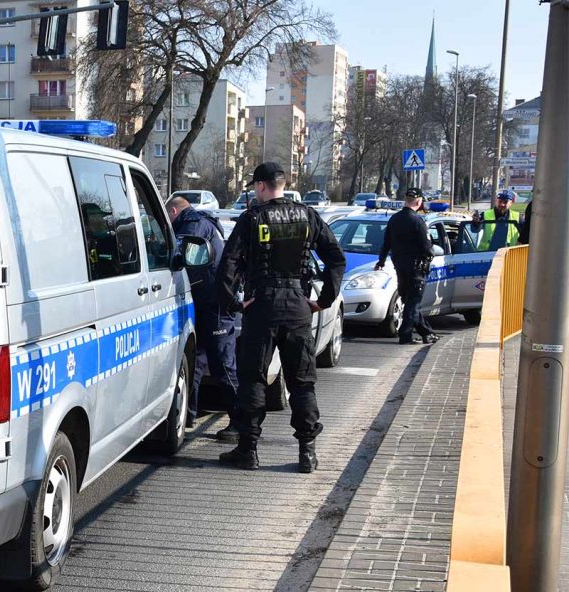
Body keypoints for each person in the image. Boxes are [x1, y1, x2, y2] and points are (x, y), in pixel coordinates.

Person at [215, 162, 346, 473]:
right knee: (302, 382)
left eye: (254, 187)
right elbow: (336, 259)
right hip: (298, 305)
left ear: (261, 186)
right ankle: (307, 452)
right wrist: (323, 301)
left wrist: (233, 303)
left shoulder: (252, 218)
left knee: (253, 379)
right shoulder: (308, 216)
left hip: (261, 306)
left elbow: (228, 265)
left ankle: (248, 450)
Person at [166, 196, 239, 437]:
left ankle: (240, 423)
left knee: (222, 363)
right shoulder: (202, 222)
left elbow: (179, 256)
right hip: (205, 303)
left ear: (174, 211)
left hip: (214, 305)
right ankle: (188, 414)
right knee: (195, 361)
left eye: (168, 218)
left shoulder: (193, 225)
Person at [375, 188, 440, 345]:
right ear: (418, 201)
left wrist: (381, 262)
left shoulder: (394, 219)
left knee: (410, 301)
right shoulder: (417, 221)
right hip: (416, 268)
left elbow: (386, 243)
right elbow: (427, 247)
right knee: (413, 303)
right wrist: (431, 254)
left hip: (399, 266)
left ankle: (427, 332)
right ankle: (405, 335)